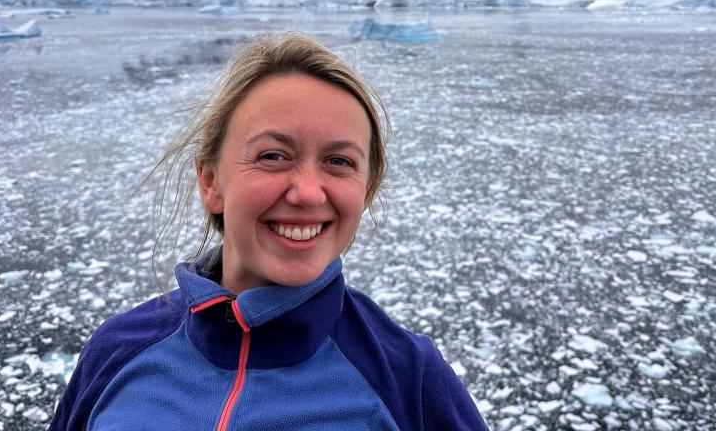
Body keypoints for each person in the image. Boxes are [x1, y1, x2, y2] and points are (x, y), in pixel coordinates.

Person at [49, 32, 488, 430]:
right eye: (273, 156)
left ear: (366, 188)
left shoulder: (406, 377)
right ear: (212, 182)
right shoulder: (119, 352)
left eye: (339, 161)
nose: (308, 192)